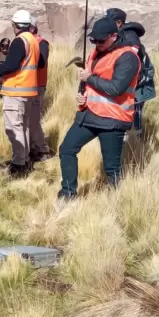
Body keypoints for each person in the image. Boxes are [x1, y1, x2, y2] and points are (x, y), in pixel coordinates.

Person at [58, 17, 141, 199]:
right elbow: (90, 84)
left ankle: (119, 201)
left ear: (114, 36)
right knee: (66, 149)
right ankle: (68, 193)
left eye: (101, 40)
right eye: (94, 40)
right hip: (89, 115)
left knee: (111, 168)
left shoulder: (127, 57)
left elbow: (116, 88)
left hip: (113, 119)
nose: (97, 43)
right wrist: (82, 96)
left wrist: (89, 78)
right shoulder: (95, 53)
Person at [0, 10, 41, 177]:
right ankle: (24, 159)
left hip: (16, 91)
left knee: (14, 128)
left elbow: (10, 66)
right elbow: (39, 63)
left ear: (15, 25)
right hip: (28, 91)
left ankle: (18, 164)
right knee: (23, 127)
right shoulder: (33, 40)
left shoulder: (19, 41)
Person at [106, 8, 155, 135]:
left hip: (138, 83)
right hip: (127, 82)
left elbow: (133, 54)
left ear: (119, 22)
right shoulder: (118, 36)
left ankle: (136, 143)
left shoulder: (129, 34)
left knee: (135, 112)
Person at [29, 20, 53, 163]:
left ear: (32, 28)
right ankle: (32, 148)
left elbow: (41, 62)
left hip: (37, 85)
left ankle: (42, 149)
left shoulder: (41, 43)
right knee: (27, 119)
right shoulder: (27, 42)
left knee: (33, 119)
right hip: (26, 85)